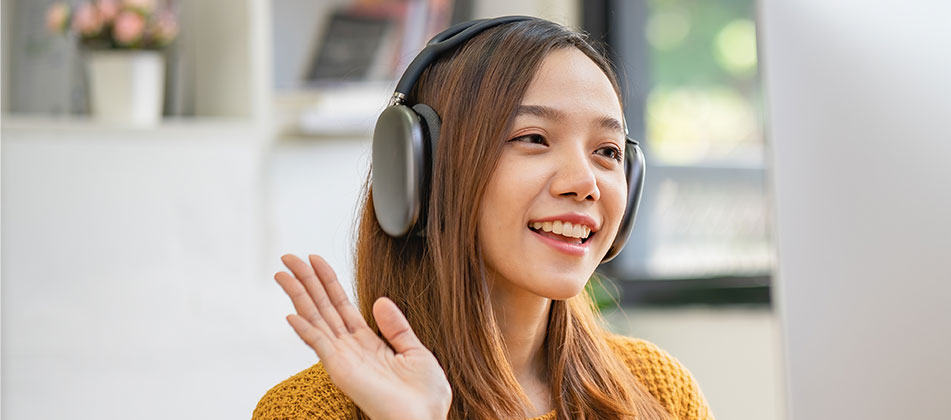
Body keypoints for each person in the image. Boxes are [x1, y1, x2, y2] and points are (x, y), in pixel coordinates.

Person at [252, 17, 712, 420]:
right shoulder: (309, 411)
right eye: (533, 138)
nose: (585, 182)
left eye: (607, 152)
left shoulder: (658, 391)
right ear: (424, 174)